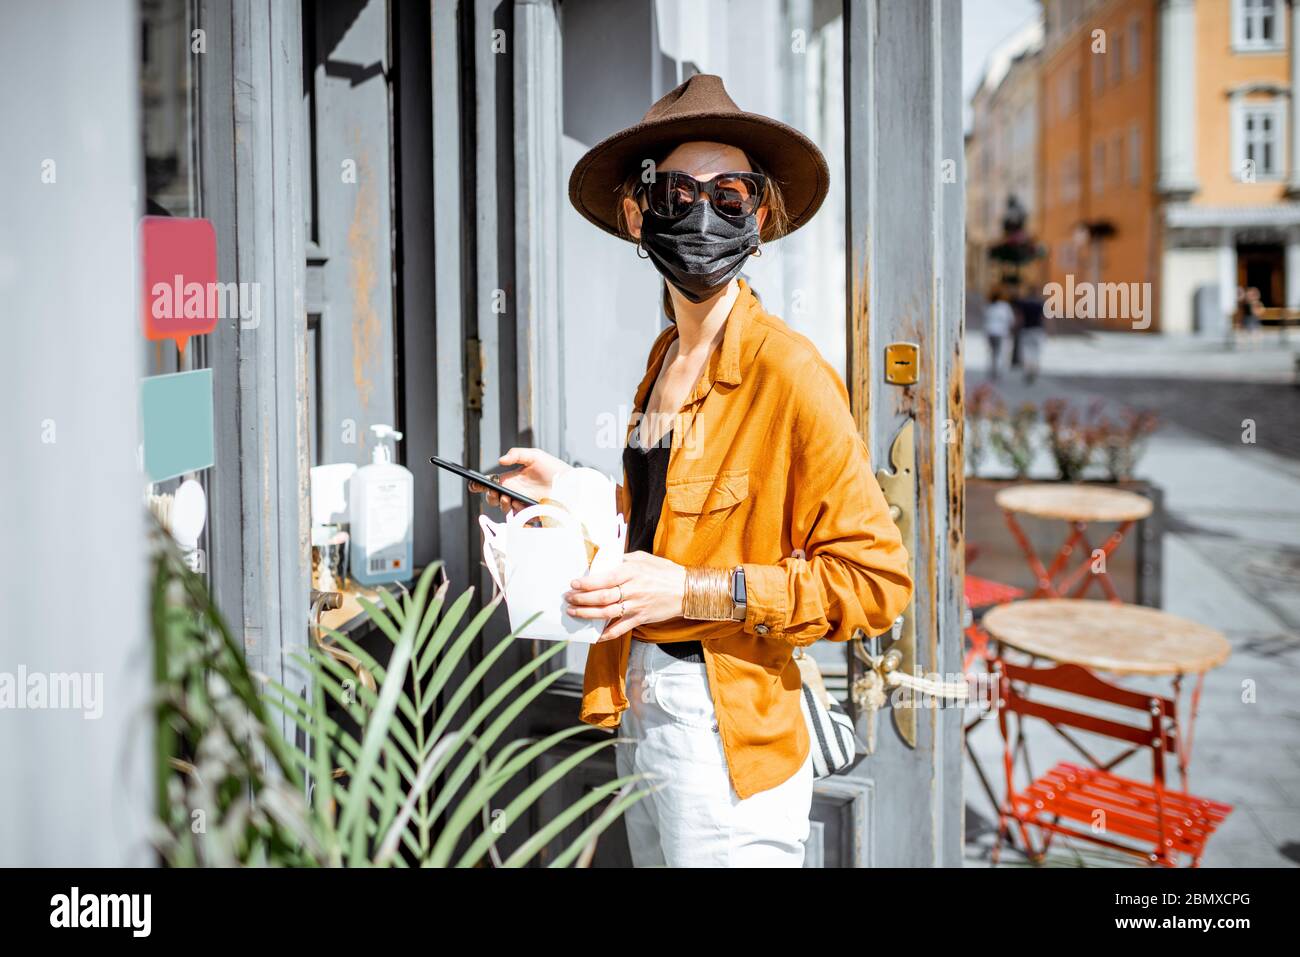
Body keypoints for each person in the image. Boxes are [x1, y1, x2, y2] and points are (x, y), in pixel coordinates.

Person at [469, 74, 912, 867]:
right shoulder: (664, 357)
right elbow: (670, 520)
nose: (703, 213)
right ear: (639, 214)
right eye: (676, 192)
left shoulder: (791, 372)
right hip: (641, 703)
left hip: (729, 729)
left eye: (730, 194)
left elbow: (877, 581)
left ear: (761, 216)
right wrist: (571, 491)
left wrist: (689, 590)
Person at [1012, 284, 1047, 384]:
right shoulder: (1041, 303)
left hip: (1026, 330)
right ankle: (1034, 369)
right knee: (1036, 352)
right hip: (1038, 330)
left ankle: (1028, 370)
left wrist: (1016, 327)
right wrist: (1049, 330)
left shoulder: (1024, 303)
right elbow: (1045, 318)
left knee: (1026, 352)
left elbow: (1020, 317)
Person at [983, 285, 1014, 380]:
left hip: (990, 331)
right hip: (1000, 332)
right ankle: (997, 369)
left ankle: (993, 368)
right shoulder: (1005, 306)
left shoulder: (989, 306)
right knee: (999, 351)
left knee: (992, 351)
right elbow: (1011, 319)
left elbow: (985, 318)